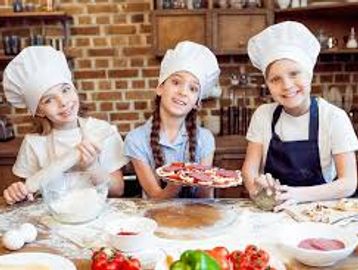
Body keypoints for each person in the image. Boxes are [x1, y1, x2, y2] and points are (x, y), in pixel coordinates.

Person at [242, 21, 358, 211]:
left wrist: (296, 195)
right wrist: (258, 190)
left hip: (319, 213)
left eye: (294, 73)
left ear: (310, 74)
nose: (286, 85)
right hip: (274, 210)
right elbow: (249, 170)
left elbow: (349, 183)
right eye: (275, 79)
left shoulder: (334, 118)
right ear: (267, 84)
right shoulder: (263, 115)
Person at [2, 46, 128, 205]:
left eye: (65, 90)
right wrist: (17, 192)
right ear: (39, 111)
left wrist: (92, 166)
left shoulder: (102, 132)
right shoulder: (33, 144)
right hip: (53, 222)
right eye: (49, 100)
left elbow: (118, 190)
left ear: (74, 89)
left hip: (98, 218)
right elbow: (28, 196)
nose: (63, 102)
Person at [124, 41, 221, 199]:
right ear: (160, 88)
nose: (183, 92)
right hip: (156, 219)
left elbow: (205, 198)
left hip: (197, 219)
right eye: (176, 82)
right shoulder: (136, 140)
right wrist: (175, 182)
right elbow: (156, 197)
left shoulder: (205, 139)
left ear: (197, 102)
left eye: (193, 89)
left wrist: (207, 181)